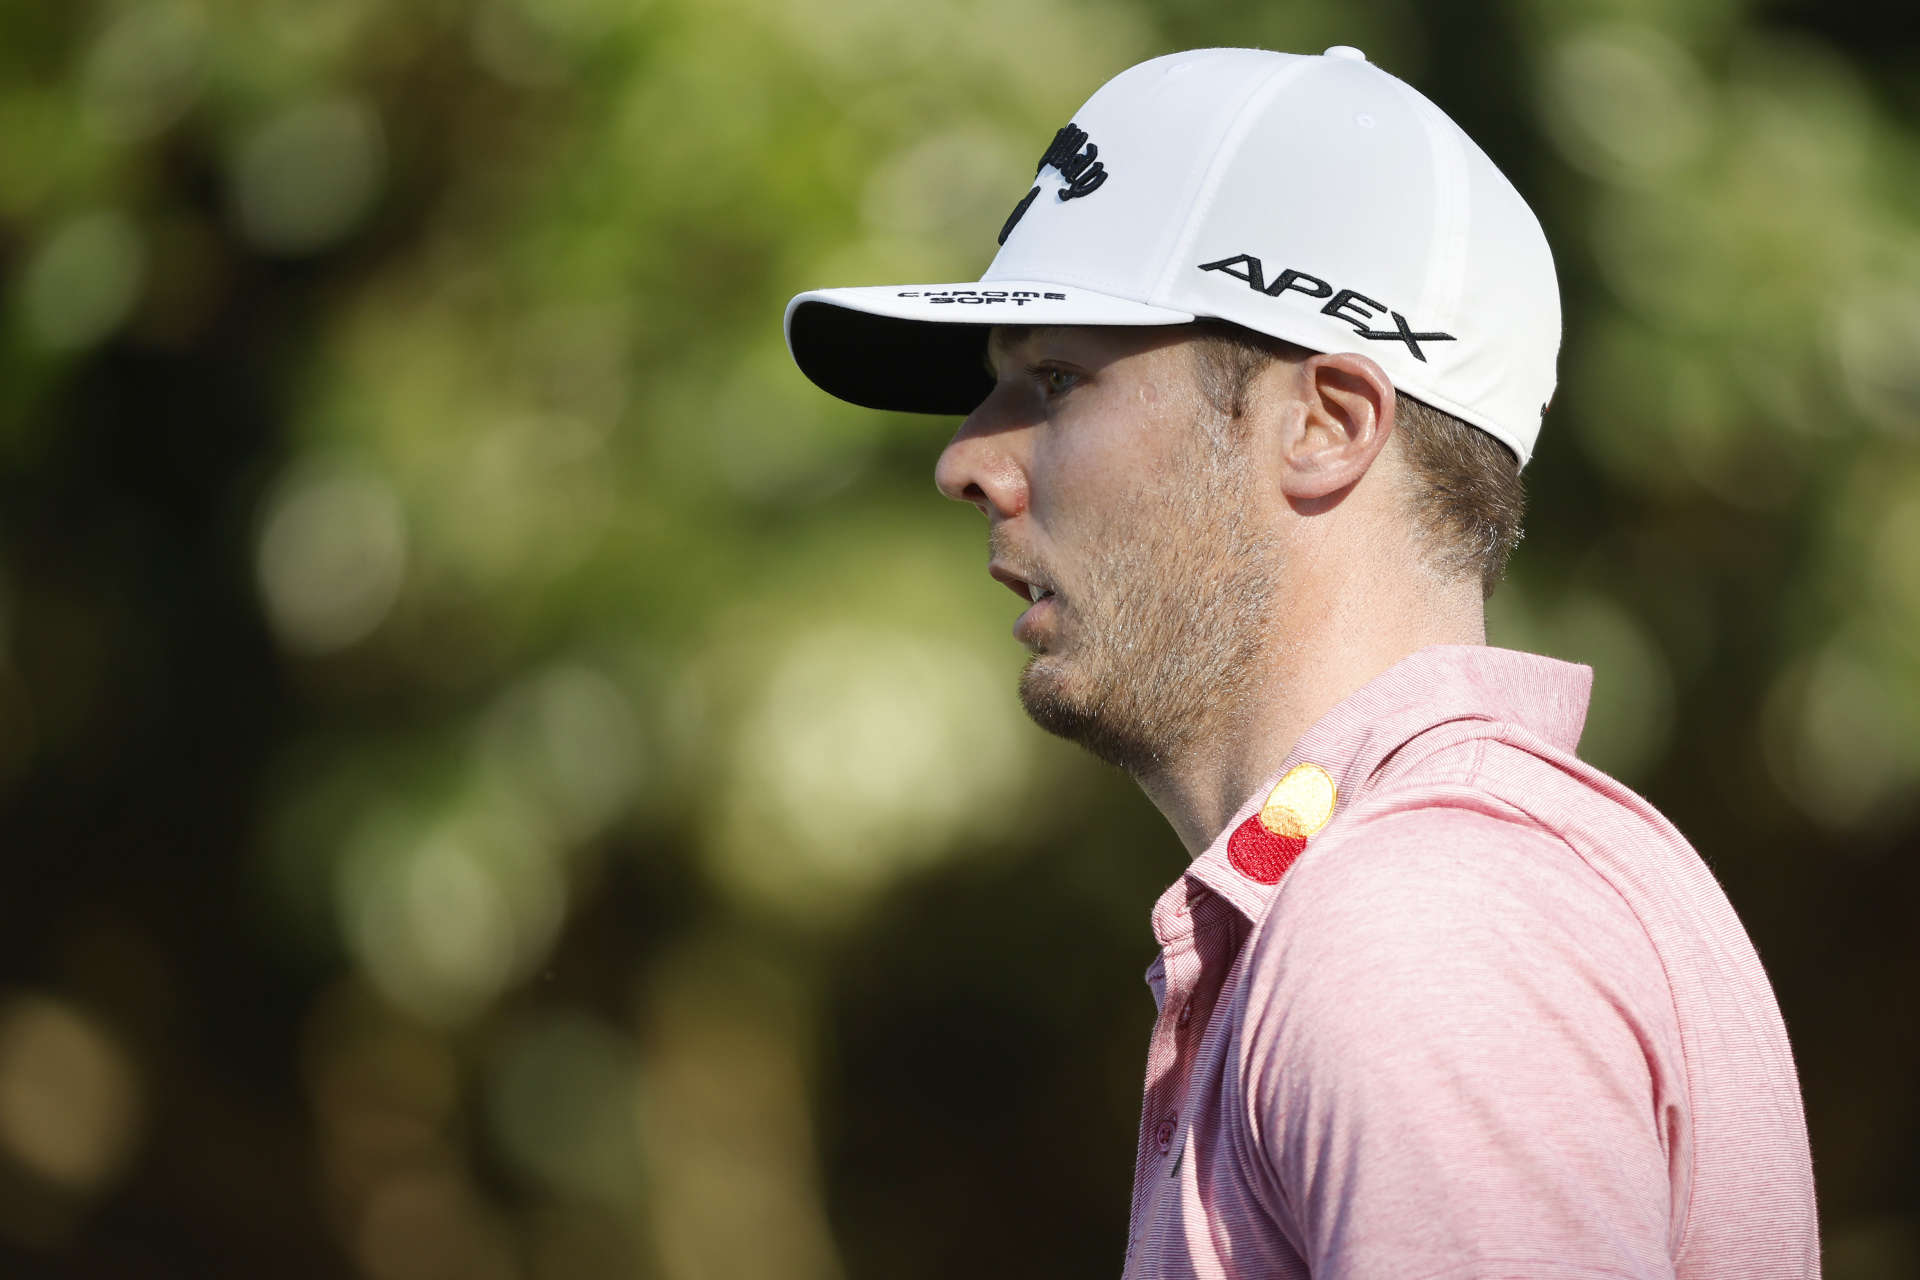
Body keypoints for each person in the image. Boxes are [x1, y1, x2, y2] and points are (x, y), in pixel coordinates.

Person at [784, 46, 1818, 1280]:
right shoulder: (1414, 888)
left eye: (1055, 380)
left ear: (1326, 425)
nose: (967, 462)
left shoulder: (1424, 930)